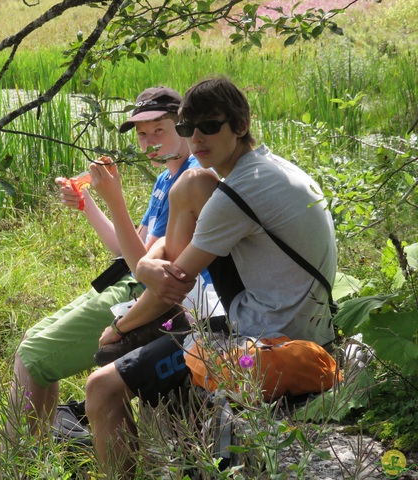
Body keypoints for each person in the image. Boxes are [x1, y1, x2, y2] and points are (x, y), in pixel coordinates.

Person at [85, 76, 337, 478]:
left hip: (269, 339)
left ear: (240, 124)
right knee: (192, 183)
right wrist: (149, 267)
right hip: (296, 318)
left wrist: (120, 325)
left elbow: (173, 287)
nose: (197, 137)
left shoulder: (238, 193)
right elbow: (171, 268)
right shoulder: (266, 168)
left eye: (209, 126)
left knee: (101, 387)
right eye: (188, 128)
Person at [6, 86, 219, 437]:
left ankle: (20, 460)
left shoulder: (192, 178)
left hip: (155, 295)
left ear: (183, 126)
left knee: (32, 354)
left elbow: (144, 268)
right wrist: (88, 203)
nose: (149, 142)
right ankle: (35, 451)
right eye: (142, 134)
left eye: (159, 130)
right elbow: (125, 248)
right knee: (31, 338)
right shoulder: (167, 177)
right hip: (132, 281)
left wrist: (115, 199)